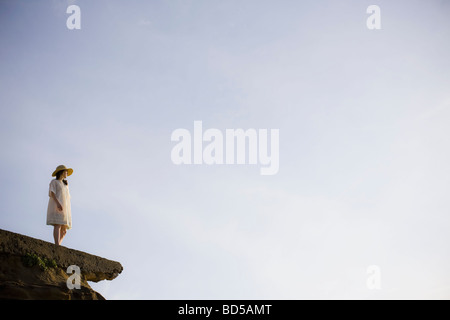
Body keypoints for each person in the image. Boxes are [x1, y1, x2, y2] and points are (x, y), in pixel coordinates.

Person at [47, 165, 73, 245]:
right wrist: (58, 203)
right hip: (57, 206)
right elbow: (52, 193)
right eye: (65, 171)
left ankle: (58, 245)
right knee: (57, 225)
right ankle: (57, 244)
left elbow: (67, 198)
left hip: (64, 208)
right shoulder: (54, 182)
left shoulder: (65, 184)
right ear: (61, 172)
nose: (67, 173)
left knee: (64, 230)